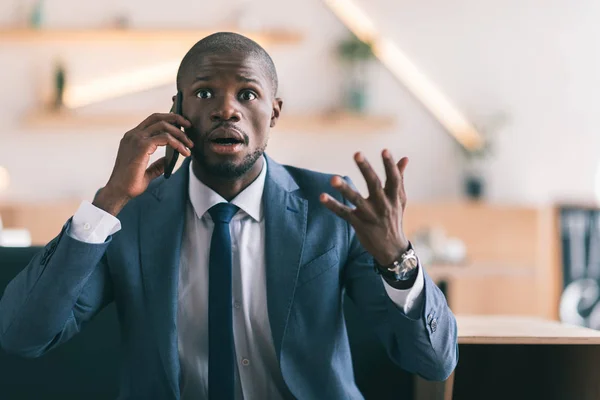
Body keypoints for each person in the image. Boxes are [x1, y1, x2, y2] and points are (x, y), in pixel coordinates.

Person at [0, 32, 457, 399]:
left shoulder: (332, 210)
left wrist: (398, 259)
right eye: (204, 93)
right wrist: (108, 200)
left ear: (274, 112)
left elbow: (434, 362)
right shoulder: (130, 217)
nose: (225, 109)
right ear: (177, 110)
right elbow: (24, 335)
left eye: (248, 93)